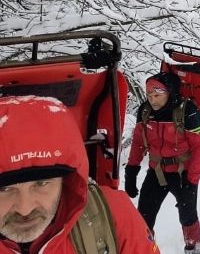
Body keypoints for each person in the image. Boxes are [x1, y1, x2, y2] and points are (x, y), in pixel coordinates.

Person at [0, 95, 160, 254]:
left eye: (42, 183)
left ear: (65, 181)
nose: (24, 209)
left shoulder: (113, 214)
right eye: (4, 188)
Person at [125, 73, 200, 254]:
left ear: (169, 92)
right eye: (149, 95)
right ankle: (146, 250)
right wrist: (131, 171)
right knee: (144, 218)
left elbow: (199, 147)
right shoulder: (145, 111)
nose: (152, 100)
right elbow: (138, 142)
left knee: (187, 216)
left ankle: (193, 247)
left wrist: (192, 181)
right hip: (156, 172)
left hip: (182, 173)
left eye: (157, 95)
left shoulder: (187, 110)